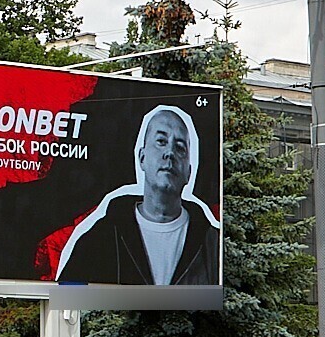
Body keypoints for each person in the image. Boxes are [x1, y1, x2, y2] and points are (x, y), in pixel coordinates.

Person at [54, 104, 219, 286]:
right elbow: (66, 301)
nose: (170, 153)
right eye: (161, 142)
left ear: (189, 172)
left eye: (180, 148)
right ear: (142, 158)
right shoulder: (102, 238)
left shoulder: (212, 245)